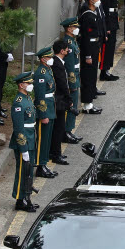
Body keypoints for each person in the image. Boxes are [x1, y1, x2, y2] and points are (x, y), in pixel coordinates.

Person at [9, 71, 37, 212]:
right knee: (22, 170)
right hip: (24, 140)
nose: (31, 85)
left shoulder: (27, 98)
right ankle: (20, 199)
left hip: (31, 137)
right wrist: (23, 148)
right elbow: (19, 127)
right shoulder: (18, 103)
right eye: (28, 83)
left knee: (29, 170)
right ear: (21, 85)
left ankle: (27, 196)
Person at [31, 46, 58, 180]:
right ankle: (40, 166)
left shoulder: (47, 70)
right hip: (45, 109)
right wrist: (43, 114)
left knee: (47, 138)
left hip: (50, 107)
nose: (51, 59)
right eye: (48, 57)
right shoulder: (41, 73)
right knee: (42, 139)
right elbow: (40, 96)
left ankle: (44, 163)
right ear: (42, 59)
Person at [77, 0, 103, 115]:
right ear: (91, 1)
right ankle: (87, 105)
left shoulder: (93, 12)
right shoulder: (87, 16)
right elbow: (86, 38)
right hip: (89, 49)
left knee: (92, 75)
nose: (98, 0)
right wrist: (87, 55)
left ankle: (90, 102)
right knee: (88, 76)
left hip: (93, 47)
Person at [49, 39, 72, 167]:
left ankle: (56, 152)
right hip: (59, 100)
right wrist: (69, 98)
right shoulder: (58, 64)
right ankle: (56, 153)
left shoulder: (57, 62)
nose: (68, 50)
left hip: (58, 99)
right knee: (59, 128)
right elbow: (62, 83)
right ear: (62, 51)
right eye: (66, 49)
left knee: (58, 128)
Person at [99, 0, 120, 82]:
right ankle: (104, 70)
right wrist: (106, 26)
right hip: (108, 21)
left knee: (111, 46)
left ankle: (107, 69)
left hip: (113, 20)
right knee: (107, 47)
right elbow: (105, 8)